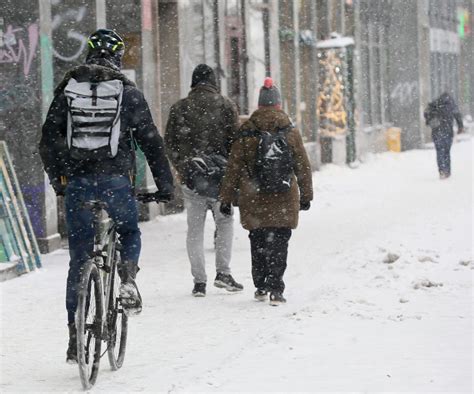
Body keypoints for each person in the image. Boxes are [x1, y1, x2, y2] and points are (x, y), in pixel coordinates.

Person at [39, 29, 174, 363]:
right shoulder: (128, 94)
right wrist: (165, 186)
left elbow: (48, 141)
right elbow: (151, 142)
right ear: (117, 57)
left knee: (79, 260)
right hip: (116, 183)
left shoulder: (68, 92)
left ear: (87, 55)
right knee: (128, 231)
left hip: (79, 186)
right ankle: (127, 279)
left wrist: (60, 181)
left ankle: (74, 338)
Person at [219, 77, 313, 306]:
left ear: (259, 105)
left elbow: (234, 165)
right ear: (278, 104)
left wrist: (226, 197)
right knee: (280, 242)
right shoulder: (290, 130)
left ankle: (260, 285)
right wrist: (306, 195)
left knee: (258, 240)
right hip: (283, 195)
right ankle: (276, 289)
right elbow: (302, 164)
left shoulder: (246, 131)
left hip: (254, 197)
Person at [165, 64, 243, 297]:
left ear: (193, 83)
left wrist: (183, 167)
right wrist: (230, 169)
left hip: (193, 179)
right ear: (213, 83)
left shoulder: (180, 108)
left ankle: (199, 281)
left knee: (195, 230)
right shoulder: (226, 105)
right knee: (225, 223)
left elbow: (169, 143)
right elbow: (236, 143)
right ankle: (223, 273)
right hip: (221, 178)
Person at [424, 92, 464, 179]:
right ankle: (447, 171)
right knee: (446, 152)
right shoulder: (450, 105)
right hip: (448, 132)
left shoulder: (435, 104)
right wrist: (460, 127)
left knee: (439, 152)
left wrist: (429, 121)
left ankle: (441, 170)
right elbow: (458, 116)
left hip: (436, 131)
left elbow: (426, 113)